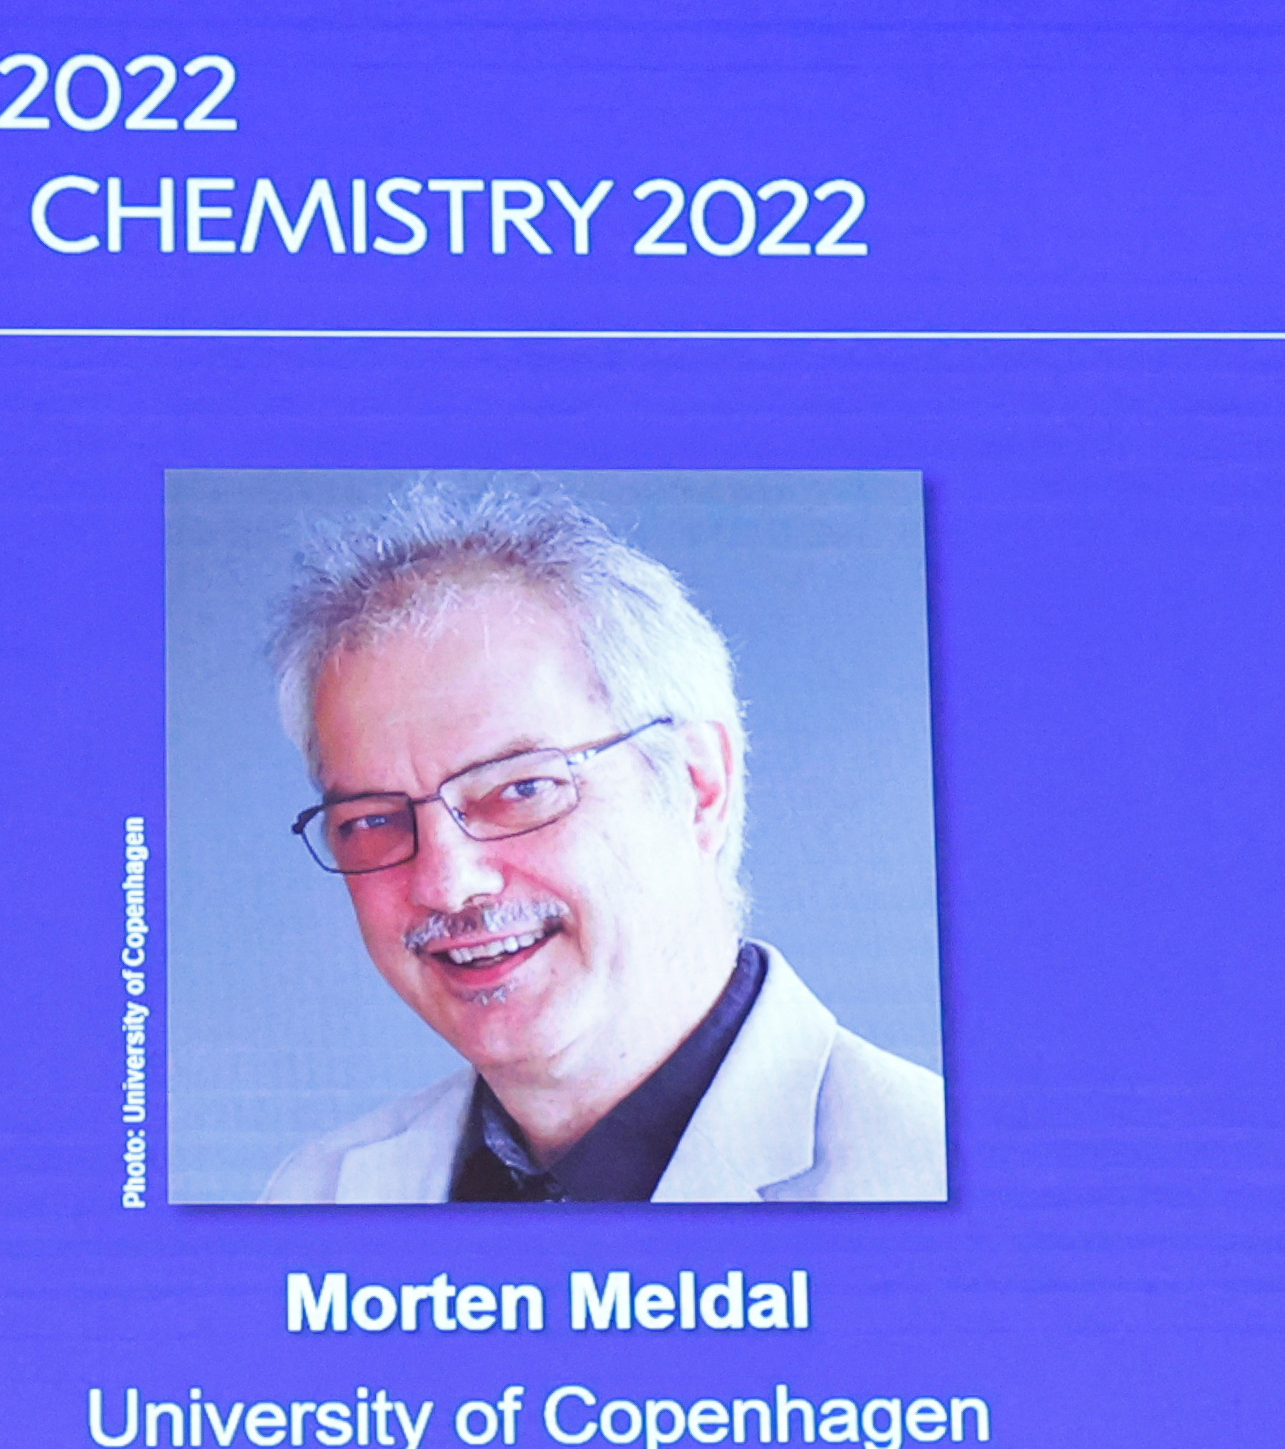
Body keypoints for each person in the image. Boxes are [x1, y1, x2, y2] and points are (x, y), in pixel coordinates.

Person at [253, 486, 946, 1204]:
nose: (445, 883)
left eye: (520, 788)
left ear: (698, 788)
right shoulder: (317, 1196)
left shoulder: (938, 1183)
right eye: (372, 819)